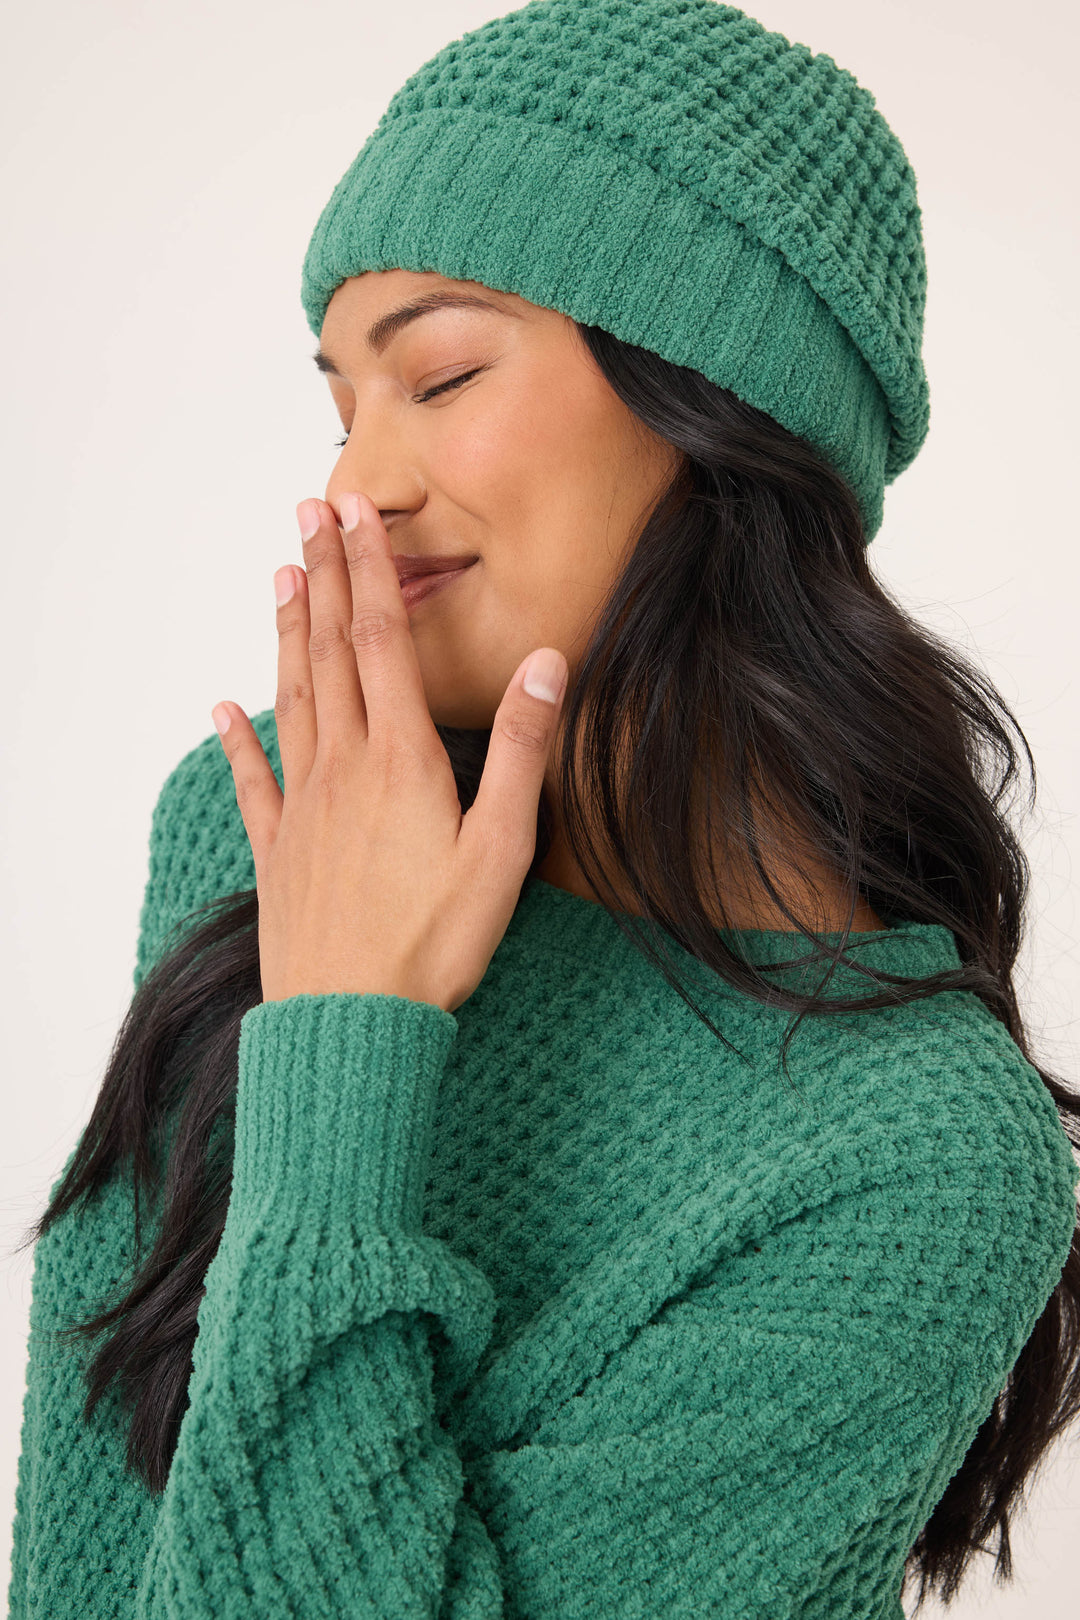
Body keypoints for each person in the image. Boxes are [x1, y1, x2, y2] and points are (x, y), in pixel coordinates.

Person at [8, 2, 1079, 1616]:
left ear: (713, 410)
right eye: (340, 406)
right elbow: (81, 1562)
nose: (355, 485)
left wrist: (350, 1039)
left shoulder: (919, 1159)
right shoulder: (262, 839)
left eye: (438, 374)